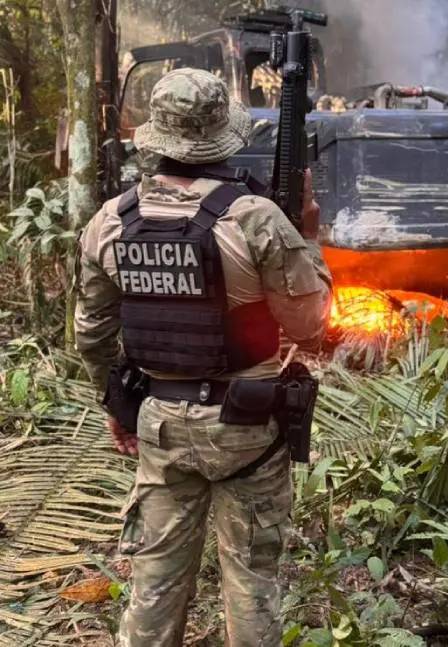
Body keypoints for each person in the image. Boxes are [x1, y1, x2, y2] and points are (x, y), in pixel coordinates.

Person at [74, 68, 332, 647]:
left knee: (154, 581)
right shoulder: (255, 218)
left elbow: (92, 335)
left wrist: (116, 405)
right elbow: (310, 325)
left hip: (159, 423)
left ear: (156, 136)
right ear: (221, 137)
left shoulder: (109, 222)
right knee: (252, 581)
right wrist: (307, 235)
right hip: (247, 423)